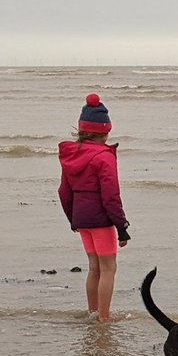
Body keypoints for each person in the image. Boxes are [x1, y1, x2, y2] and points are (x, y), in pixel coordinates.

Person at [58, 94, 130, 322]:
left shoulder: (71, 154)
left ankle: (93, 312)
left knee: (94, 267)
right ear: (105, 131)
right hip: (100, 219)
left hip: (81, 218)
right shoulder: (104, 156)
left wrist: (73, 219)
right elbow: (111, 196)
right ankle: (104, 318)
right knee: (108, 268)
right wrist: (122, 226)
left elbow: (64, 191)